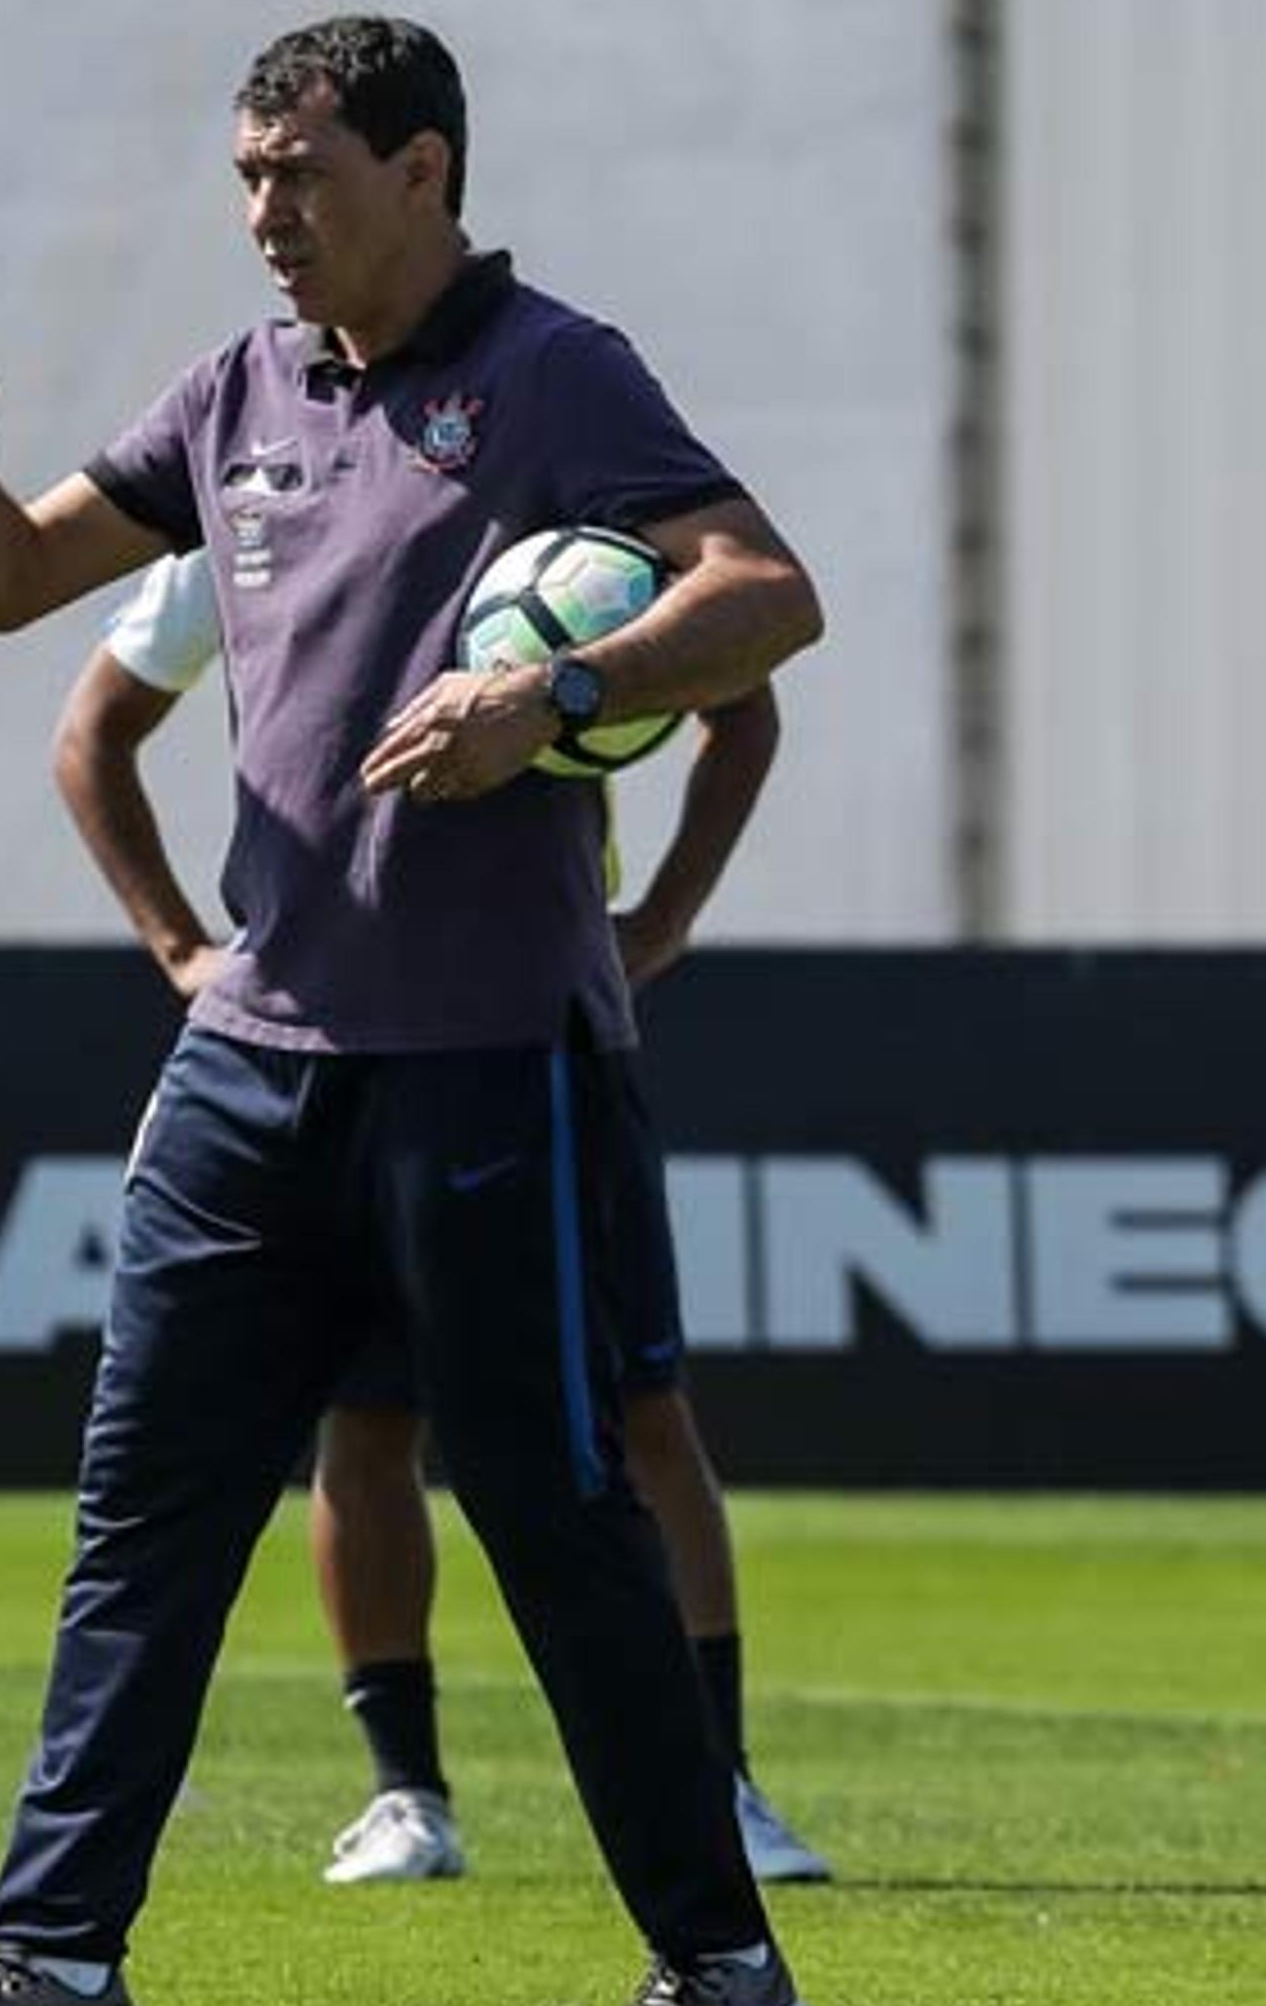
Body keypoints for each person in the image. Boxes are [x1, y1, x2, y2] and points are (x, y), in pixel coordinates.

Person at [0, 14, 821, 2006]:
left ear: (425, 171)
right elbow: (6, 589)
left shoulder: (558, 375)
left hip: (488, 1056)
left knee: (548, 1506)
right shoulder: (236, 389)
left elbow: (770, 595)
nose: (268, 215)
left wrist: (553, 696)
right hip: (253, 1056)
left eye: (306, 174)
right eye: (250, 177)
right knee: (145, 1497)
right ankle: (57, 1959)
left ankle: (720, 1965)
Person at [52, 549, 832, 1889]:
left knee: (638, 1414)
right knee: (362, 1425)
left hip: (527, 1041)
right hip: (311, 1051)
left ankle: (723, 1781)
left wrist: (667, 916)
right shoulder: (239, 512)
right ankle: (405, 1790)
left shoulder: (576, 532)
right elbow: (91, 735)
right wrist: (184, 950)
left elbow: (742, 701)